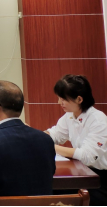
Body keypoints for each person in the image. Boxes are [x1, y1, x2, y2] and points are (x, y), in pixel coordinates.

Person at [45, 75, 107, 206]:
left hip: (100, 180)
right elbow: (55, 134)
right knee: (48, 188)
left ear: (79, 99)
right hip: (82, 172)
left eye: (63, 99)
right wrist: (34, 136)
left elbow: (87, 157)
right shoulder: (69, 116)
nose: (59, 102)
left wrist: (51, 146)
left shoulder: (98, 121)